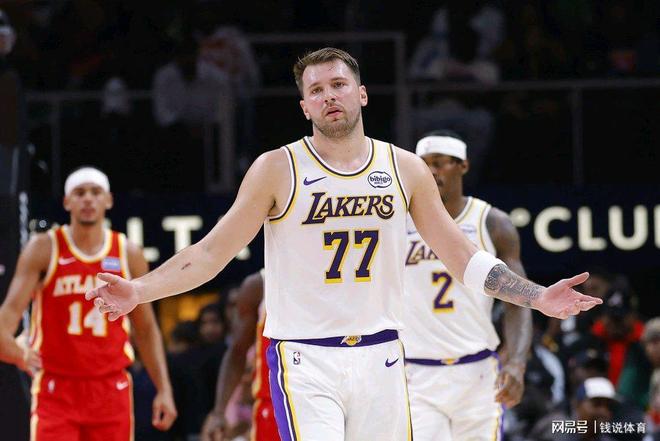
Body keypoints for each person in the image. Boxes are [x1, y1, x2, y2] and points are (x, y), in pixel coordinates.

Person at [87, 47, 601, 440]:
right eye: (316, 90)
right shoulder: (277, 168)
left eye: (339, 84)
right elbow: (209, 253)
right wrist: (139, 290)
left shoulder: (404, 168)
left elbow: (464, 257)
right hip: (306, 359)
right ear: (304, 106)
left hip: (385, 355)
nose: (329, 95)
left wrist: (537, 296)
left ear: (362, 94)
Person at [0, 167, 177, 440]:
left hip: (110, 387)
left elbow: (146, 329)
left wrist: (163, 388)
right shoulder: (44, 248)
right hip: (57, 387)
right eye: (79, 193)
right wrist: (19, 354)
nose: (88, 199)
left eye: (95, 192)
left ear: (108, 200)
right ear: (66, 202)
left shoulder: (128, 253)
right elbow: (8, 317)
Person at [400, 130, 532, 440]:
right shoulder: (397, 220)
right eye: (425, 164)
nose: (432, 171)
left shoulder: (492, 223)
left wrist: (517, 362)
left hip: (478, 371)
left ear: (463, 165)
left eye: (440, 163)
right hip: (414, 372)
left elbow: (518, 299)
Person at [201, 270, 280, 441]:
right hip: (272, 407)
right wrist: (219, 412)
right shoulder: (259, 285)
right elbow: (237, 352)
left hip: (323, 397)